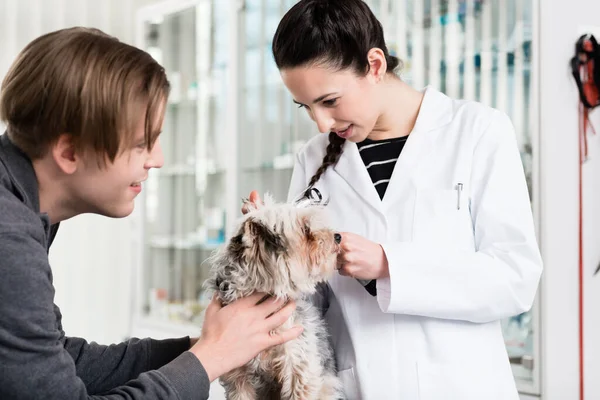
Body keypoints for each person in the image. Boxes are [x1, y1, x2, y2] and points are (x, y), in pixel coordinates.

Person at [247, 0, 544, 398]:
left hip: (460, 385)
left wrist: (390, 265)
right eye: (307, 107)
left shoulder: (477, 132)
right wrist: (270, 252)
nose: (321, 123)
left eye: (330, 101)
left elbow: (514, 277)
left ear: (374, 65)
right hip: (360, 387)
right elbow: (306, 301)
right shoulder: (314, 159)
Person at [0, 27, 302, 399]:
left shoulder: (20, 204)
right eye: (142, 144)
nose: (157, 160)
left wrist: (216, 344)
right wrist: (210, 357)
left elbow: (57, 360)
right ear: (69, 152)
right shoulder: (9, 240)